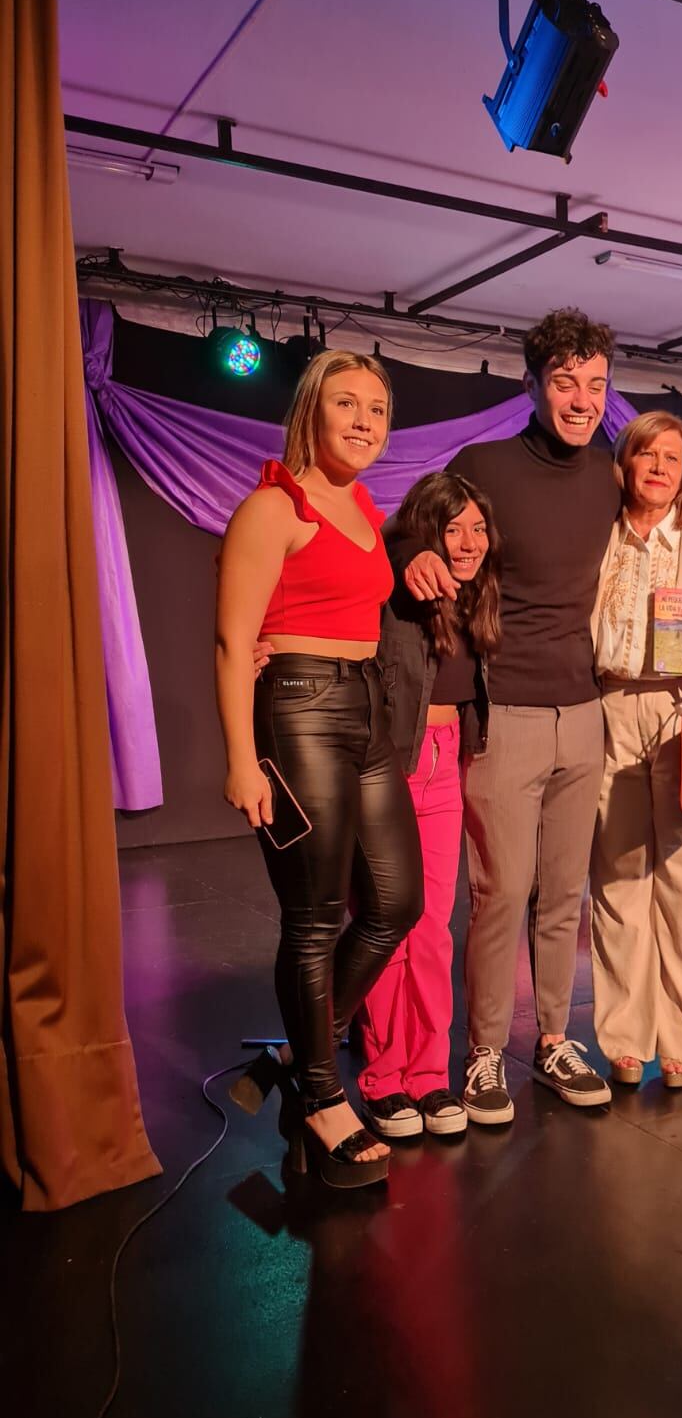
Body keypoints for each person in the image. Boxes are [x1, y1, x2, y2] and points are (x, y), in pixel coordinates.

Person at [401, 308, 682, 1125]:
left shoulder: (606, 476)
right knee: (499, 892)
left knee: (563, 898)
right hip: (505, 710)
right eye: (566, 383)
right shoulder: (482, 464)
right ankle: (485, 1053)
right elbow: (417, 523)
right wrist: (412, 549)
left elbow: (670, 501)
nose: (583, 399)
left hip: (587, 712)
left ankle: (553, 1037)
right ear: (534, 384)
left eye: (596, 384)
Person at [216, 350, 423, 1187]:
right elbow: (235, 640)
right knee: (314, 916)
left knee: (397, 903)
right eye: (348, 403)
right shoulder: (275, 505)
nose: (366, 421)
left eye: (378, 408)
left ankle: (296, 1056)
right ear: (313, 410)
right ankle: (320, 1094)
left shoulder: (364, 506)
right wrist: (240, 758)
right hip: (298, 708)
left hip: (365, 706)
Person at [588, 412, 682, 1089]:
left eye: (672, 458)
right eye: (645, 454)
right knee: (619, 879)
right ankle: (624, 1037)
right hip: (612, 707)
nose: (658, 467)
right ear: (624, 463)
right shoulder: (594, 535)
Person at [356, 472, 501, 1140]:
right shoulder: (398, 584)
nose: (468, 542)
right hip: (392, 764)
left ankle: (429, 1073)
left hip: (448, 763)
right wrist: (405, 550)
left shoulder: (477, 597)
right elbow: (377, 543)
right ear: (425, 532)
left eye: (477, 528)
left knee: (433, 929)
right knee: (390, 921)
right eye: (453, 529)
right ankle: (383, 1077)